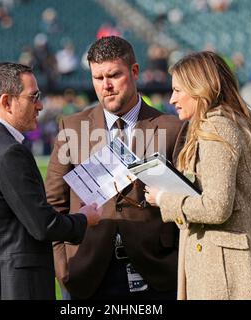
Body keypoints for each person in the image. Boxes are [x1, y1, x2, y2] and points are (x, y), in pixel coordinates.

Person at [0, 62, 102, 300]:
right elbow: (43, 225)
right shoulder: (10, 152)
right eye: (34, 97)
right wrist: (84, 218)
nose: (40, 105)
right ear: (6, 102)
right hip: (16, 289)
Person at [46, 36, 185, 300]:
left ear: (134, 72)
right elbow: (54, 203)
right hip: (87, 273)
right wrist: (62, 267)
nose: (106, 86)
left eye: (113, 75)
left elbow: (187, 199)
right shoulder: (72, 127)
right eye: (97, 78)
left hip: (158, 273)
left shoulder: (172, 127)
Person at [145, 52, 251, 300]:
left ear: (200, 88)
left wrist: (164, 198)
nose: (172, 99)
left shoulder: (216, 126)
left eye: (178, 90)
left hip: (223, 270)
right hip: (239, 262)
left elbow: (216, 207)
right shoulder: (237, 122)